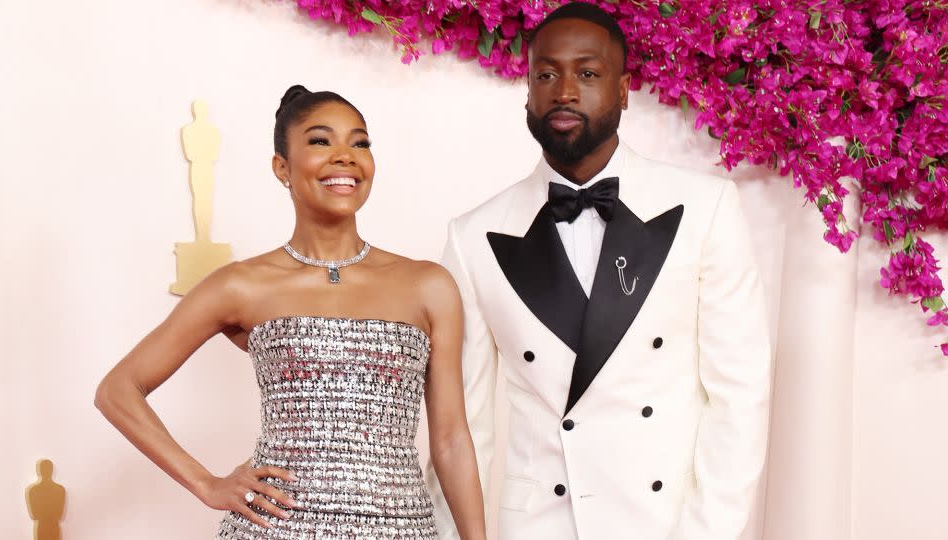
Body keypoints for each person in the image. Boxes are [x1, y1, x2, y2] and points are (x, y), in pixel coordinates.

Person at [424, 3, 772, 539]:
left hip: (665, 525)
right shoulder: (473, 236)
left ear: (625, 88)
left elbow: (739, 398)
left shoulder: (706, 209)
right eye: (546, 74)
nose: (564, 91)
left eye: (587, 73)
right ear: (528, 91)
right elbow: (461, 426)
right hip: (540, 526)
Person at [95, 85, 486, 540]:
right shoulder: (242, 284)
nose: (345, 156)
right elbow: (117, 391)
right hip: (276, 530)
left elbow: (453, 440)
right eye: (322, 141)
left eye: (359, 143)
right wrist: (206, 483)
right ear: (282, 166)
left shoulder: (429, 285)